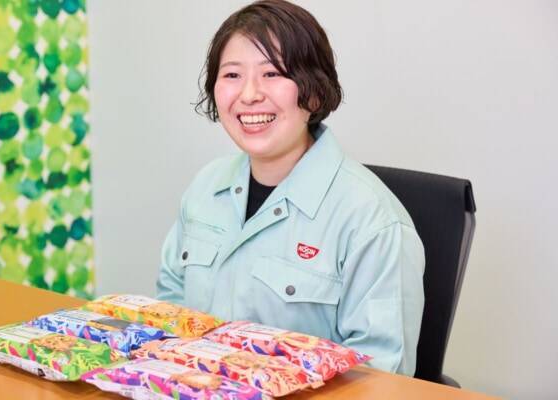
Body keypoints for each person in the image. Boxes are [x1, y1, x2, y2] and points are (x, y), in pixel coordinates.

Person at [156, 0, 425, 376]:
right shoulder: (205, 187)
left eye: (272, 73)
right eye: (232, 74)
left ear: (314, 92)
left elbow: (381, 379)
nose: (249, 94)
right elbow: (169, 312)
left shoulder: (373, 221)